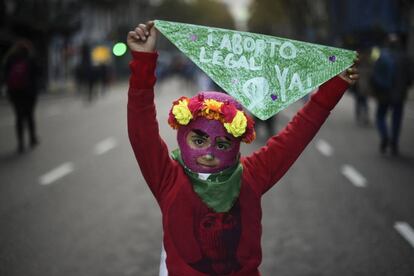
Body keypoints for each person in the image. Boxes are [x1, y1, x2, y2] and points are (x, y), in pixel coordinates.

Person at [127, 21, 359, 276]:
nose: (208, 153)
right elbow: (142, 129)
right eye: (199, 140)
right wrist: (143, 59)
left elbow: (298, 134)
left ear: (237, 143)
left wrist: (333, 86)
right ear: (183, 137)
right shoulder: (168, 178)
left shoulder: (251, 176)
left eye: (223, 144)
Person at [370, 33, 412, 155]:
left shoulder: (381, 55)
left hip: (384, 93)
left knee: (380, 116)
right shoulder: (405, 57)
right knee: (396, 119)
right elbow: (409, 79)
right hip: (399, 94)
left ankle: (384, 135)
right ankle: (394, 142)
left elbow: (374, 74)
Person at [3, 39, 40, 153]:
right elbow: (39, 73)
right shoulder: (31, 59)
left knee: (19, 117)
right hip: (29, 92)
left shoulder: (10, 59)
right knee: (29, 115)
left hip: (15, 92)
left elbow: (5, 75)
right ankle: (32, 138)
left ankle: (20, 143)